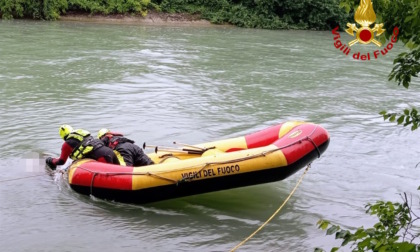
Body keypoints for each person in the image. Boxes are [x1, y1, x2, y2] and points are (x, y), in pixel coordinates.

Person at [46, 125, 120, 170]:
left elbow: (61, 161)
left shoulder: (67, 144)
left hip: (102, 157)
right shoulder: (84, 136)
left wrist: (50, 160)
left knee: (111, 179)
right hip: (110, 152)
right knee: (121, 173)